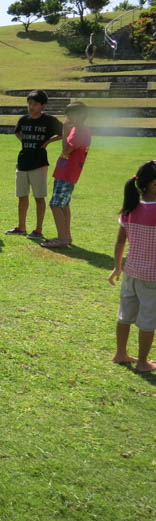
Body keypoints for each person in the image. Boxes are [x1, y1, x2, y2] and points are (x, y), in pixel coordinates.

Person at [109, 160, 156, 373]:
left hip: (131, 272)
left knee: (125, 314)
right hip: (152, 277)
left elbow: (120, 242)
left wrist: (117, 267)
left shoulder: (130, 208)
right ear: (154, 185)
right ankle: (143, 362)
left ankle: (120, 353)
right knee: (148, 320)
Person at [5, 90, 62, 240]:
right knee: (22, 196)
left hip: (39, 163)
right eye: (29, 103)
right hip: (23, 162)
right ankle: (21, 227)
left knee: (39, 197)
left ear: (43, 105)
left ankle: (38, 229)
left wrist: (48, 142)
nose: (31, 107)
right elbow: (17, 132)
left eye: (35, 104)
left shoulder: (49, 121)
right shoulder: (23, 119)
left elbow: (64, 133)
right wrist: (23, 141)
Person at [42, 102, 91, 249]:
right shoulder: (80, 130)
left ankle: (62, 238)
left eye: (71, 114)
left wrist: (64, 130)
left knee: (55, 204)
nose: (68, 117)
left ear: (80, 115)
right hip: (66, 172)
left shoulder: (79, 131)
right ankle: (66, 236)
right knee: (64, 204)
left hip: (67, 174)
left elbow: (66, 150)